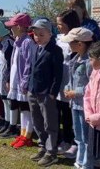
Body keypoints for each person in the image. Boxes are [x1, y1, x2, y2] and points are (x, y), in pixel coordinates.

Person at [28, 19, 63, 167]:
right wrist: (29, 88)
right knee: (37, 121)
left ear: (50, 34)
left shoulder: (55, 50)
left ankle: (51, 152)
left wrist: (52, 93)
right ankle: (43, 146)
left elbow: (58, 74)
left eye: (41, 34)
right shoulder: (36, 48)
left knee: (50, 123)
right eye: (35, 34)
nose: (37, 37)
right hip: (33, 91)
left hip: (46, 93)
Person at [0, 14, 34, 151]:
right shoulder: (18, 40)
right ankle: (22, 133)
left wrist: (24, 82)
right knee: (21, 108)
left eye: (12, 26)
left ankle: (28, 135)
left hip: (22, 83)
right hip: (16, 81)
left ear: (19, 27)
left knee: (26, 109)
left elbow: (28, 64)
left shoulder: (27, 42)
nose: (10, 29)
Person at [61, 27, 95, 169]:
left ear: (80, 44)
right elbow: (71, 79)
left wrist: (76, 92)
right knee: (78, 135)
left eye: (71, 42)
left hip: (85, 105)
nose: (69, 44)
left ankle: (87, 163)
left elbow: (92, 85)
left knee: (86, 137)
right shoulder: (74, 59)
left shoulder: (89, 62)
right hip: (74, 104)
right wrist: (68, 87)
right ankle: (79, 161)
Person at [55, 10, 80, 157]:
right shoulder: (59, 38)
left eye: (60, 23)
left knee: (71, 113)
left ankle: (74, 143)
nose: (58, 26)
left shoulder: (77, 39)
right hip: (61, 80)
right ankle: (65, 140)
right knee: (62, 111)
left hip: (73, 82)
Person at [85, 41, 100, 169]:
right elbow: (87, 93)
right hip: (95, 125)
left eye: (91, 58)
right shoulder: (95, 72)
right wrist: (89, 114)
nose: (89, 62)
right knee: (97, 158)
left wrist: (97, 118)